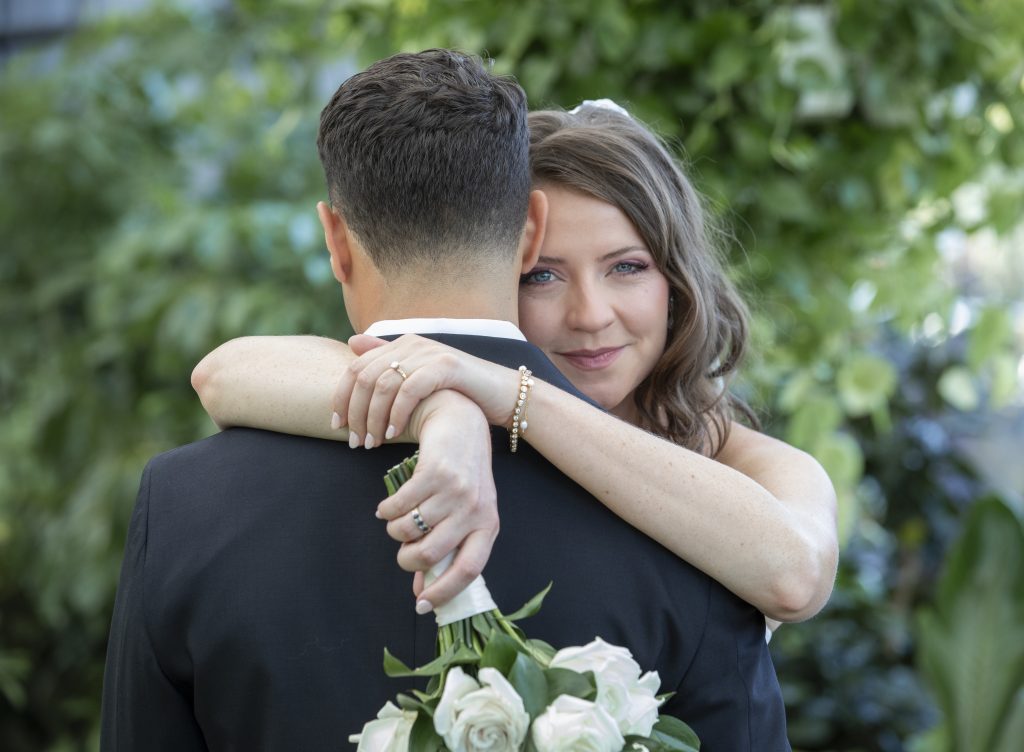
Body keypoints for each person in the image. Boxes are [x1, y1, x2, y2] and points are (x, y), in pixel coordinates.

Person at [101, 49, 791, 750]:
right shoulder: (700, 527)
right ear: (529, 234)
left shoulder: (181, 502)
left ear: (337, 242)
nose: (590, 314)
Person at [193, 103, 838, 631]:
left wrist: (509, 394)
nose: (590, 315)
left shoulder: (752, 462)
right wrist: (443, 408)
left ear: (677, 281)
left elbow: (796, 577)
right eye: (544, 275)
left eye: (627, 267)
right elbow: (223, 373)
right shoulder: (441, 384)